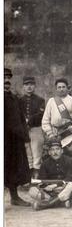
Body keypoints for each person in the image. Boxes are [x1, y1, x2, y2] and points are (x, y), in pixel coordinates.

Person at [29, 138, 72, 210]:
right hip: (51, 191)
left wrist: (57, 185)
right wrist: (46, 187)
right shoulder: (45, 164)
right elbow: (42, 180)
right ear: (49, 152)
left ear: (62, 151)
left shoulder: (69, 160)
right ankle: (61, 201)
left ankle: (48, 204)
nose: (55, 152)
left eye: (57, 149)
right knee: (32, 191)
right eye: (52, 150)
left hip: (64, 188)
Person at [4, 68, 31, 206]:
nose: (6, 81)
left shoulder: (14, 98)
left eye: (8, 78)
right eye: (3, 78)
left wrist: (25, 136)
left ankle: (14, 197)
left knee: (13, 168)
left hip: (14, 141)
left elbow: (21, 118)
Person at [19, 75, 45, 179]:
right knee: (26, 152)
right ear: (23, 87)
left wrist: (28, 121)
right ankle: (27, 177)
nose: (29, 87)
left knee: (36, 152)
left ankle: (36, 176)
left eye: (31, 84)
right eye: (26, 85)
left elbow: (40, 114)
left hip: (36, 129)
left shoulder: (40, 100)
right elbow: (17, 113)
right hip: (23, 130)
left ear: (34, 86)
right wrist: (23, 122)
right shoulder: (19, 100)